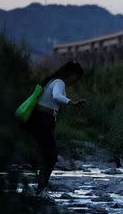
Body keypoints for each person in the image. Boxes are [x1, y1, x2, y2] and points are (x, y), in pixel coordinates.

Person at [24, 61, 86, 195]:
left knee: (47, 155)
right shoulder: (59, 82)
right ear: (72, 74)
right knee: (51, 156)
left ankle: (41, 188)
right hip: (43, 120)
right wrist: (72, 103)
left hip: (42, 120)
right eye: (77, 77)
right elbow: (57, 96)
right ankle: (41, 189)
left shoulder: (52, 81)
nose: (76, 81)